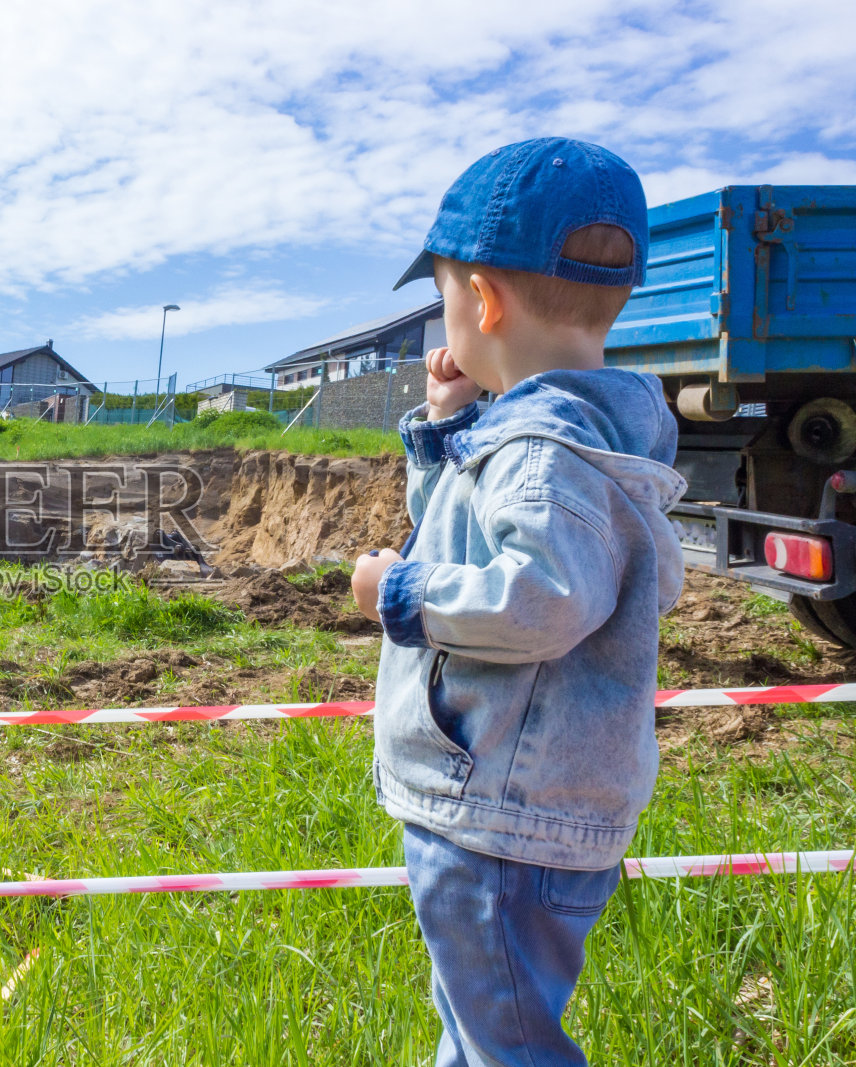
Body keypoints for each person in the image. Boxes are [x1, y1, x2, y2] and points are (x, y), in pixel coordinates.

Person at [350, 138, 686, 1066]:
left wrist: (397, 590)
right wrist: (450, 422)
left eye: (444, 298)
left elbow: (536, 599)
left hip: (498, 819)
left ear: (483, 300)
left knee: (508, 1046)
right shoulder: (581, 433)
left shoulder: (542, 452)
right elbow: (468, 532)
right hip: (525, 812)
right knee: (486, 1030)